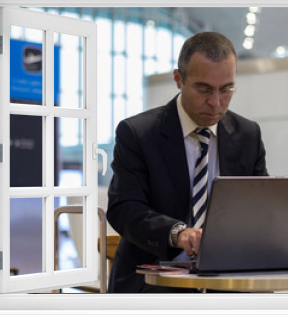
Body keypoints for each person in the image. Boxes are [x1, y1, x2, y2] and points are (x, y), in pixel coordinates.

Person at [106, 31, 268, 293]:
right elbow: (124, 207)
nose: (216, 103)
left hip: (229, 284)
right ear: (178, 79)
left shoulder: (248, 134)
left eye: (227, 89)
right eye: (204, 89)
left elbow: (260, 204)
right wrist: (178, 233)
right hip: (153, 285)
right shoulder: (138, 133)